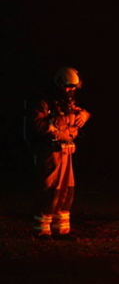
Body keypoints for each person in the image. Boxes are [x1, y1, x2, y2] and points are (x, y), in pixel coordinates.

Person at [30, 67, 90, 239]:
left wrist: (84, 115)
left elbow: (79, 117)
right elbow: (39, 126)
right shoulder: (44, 102)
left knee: (66, 191)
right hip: (51, 152)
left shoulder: (68, 104)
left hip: (67, 153)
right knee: (50, 190)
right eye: (68, 87)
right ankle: (42, 229)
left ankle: (61, 230)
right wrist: (64, 124)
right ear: (59, 85)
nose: (71, 91)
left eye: (73, 88)